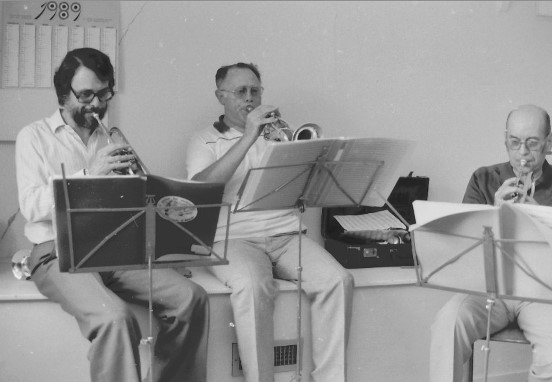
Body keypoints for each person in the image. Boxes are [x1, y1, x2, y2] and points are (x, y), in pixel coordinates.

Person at [15, 48, 209, 382]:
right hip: (58, 251)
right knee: (114, 319)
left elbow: (134, 202)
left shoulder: (110, 137)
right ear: (64, 94)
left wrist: (155, 199)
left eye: (104, 93)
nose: (96, 104)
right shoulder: (34, 137)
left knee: (192, 299)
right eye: (86, 95)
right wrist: (91, 175)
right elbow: (31, 205)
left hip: (113, 250)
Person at [186, 62, 354, 382]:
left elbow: (303, 187)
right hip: (231, 238)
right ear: (220, 96)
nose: (250, 98)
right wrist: (249, 135)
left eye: (255, 90)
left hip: (286, 235)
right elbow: (201, 190)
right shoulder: (204, 140)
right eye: (240, 92)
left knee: (338, 281)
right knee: (252, 286)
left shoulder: (278, 135)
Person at [429, 104, 552, 382]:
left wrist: (536, 216)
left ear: (549, 143)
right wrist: (493, 212)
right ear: (505, 140)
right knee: (448, 323)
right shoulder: (483, 178)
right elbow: (464, 250)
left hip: (543, 294)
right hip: (489, 288)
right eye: (514, 142)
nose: (522, 152)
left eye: (532, 143)